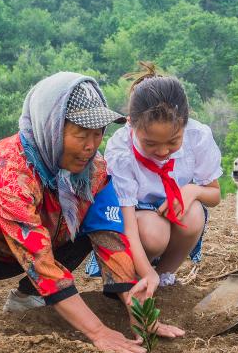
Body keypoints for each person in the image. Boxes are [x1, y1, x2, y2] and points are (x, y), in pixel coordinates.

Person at [0, 72, 183, 353]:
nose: (91, 146)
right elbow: (37, 256)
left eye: (98, 133)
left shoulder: (94, 169)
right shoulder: (8, 170)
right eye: (81, 135)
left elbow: (108, 236)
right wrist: (98, 332)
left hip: (14, 255)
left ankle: (29, 296)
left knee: (90, 219)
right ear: (51, 128)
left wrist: (139, 310)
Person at [93, 63, 222, 299]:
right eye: (150, 143)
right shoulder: (122, 150)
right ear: (131, 124)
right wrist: (146, 272)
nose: (163, 152)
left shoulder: (197, 136)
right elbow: (128, 225)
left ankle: (163, 276)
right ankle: (136, 277)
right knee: (154, 234)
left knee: (194, 213)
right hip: (137, 218)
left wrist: (192, 191)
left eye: (173, 142)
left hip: (173, 211)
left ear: (185, 123)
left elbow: (214, 195)